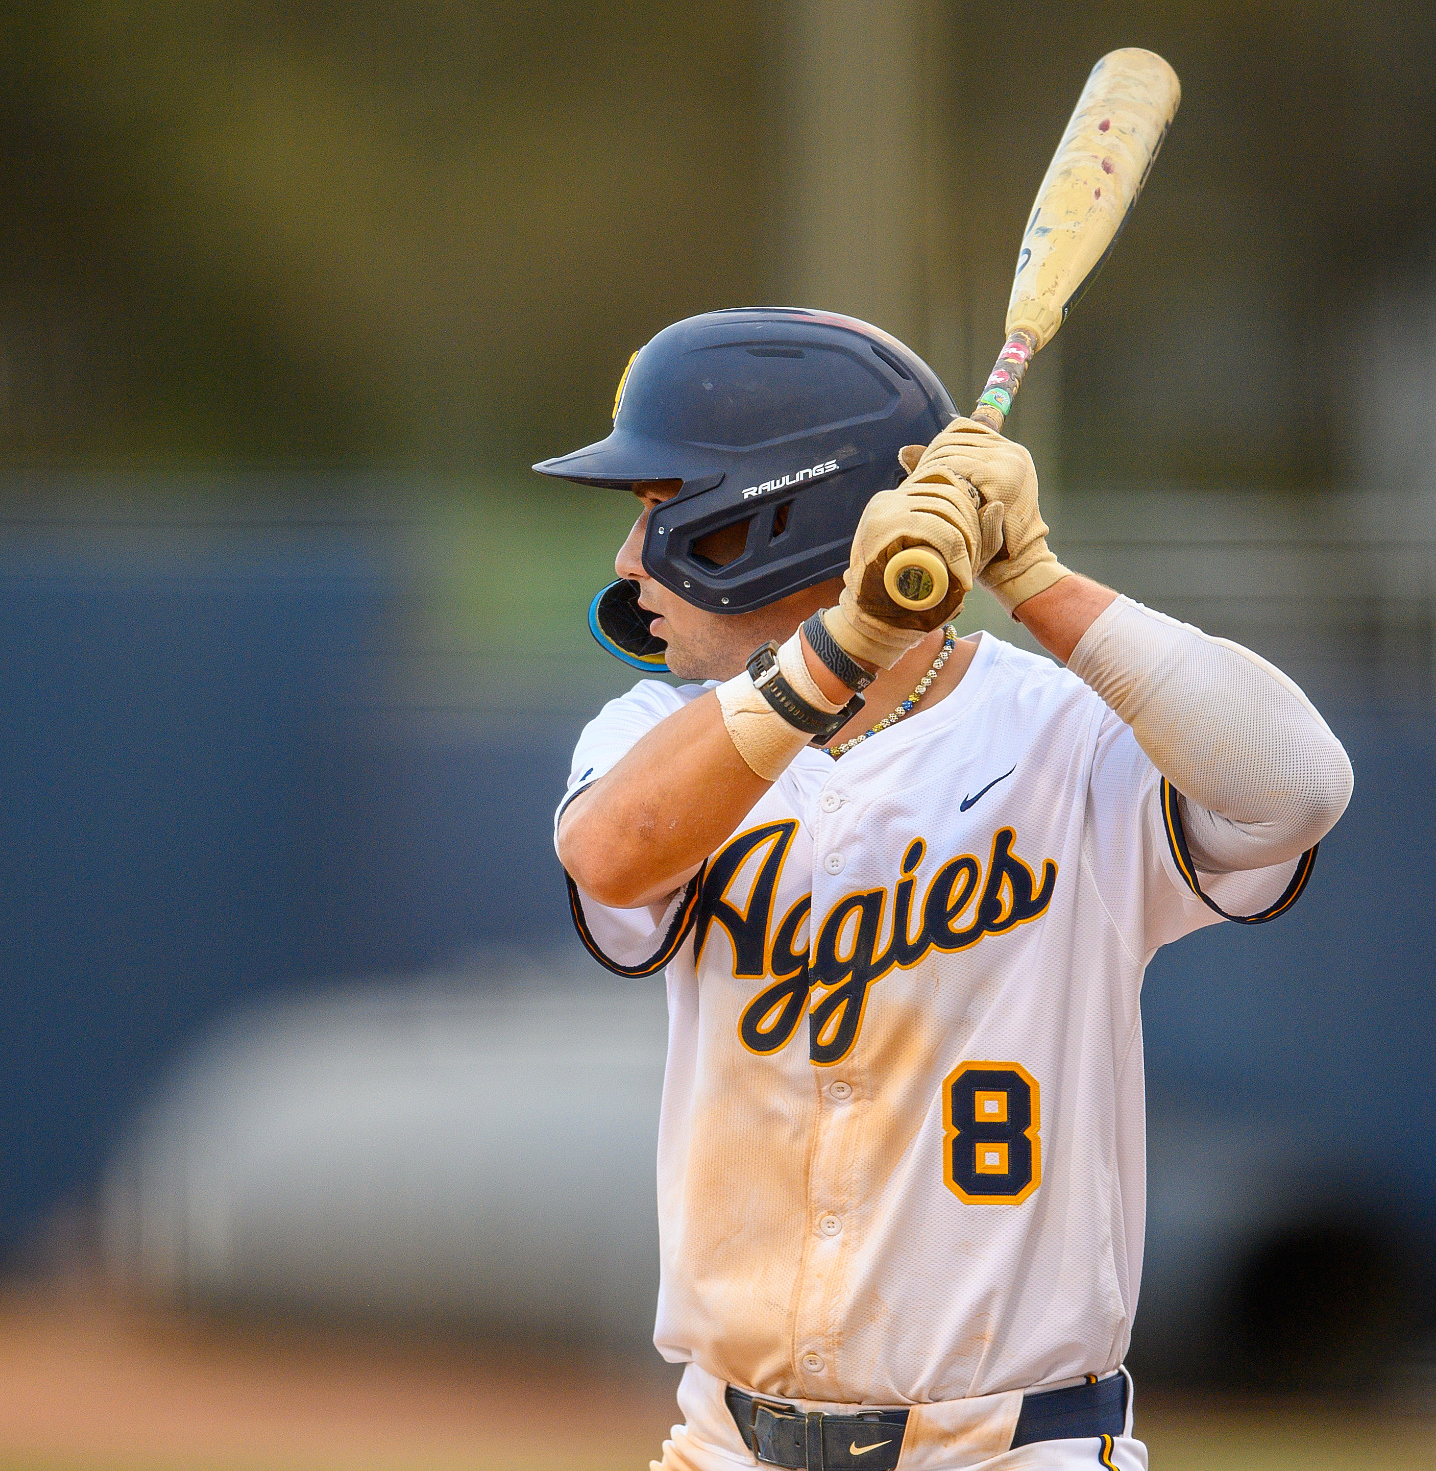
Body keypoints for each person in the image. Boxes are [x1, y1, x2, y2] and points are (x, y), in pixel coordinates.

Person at [538, 307, 1353, 1471]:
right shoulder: (659, 731)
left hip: (1012, 1446)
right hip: (729, 1441)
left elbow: (1298, 789)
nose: (631, 560)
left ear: (771, 514)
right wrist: (839, 645)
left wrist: (1031, 575)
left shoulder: (1070, 734)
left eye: (660, 505)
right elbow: (610, 853)